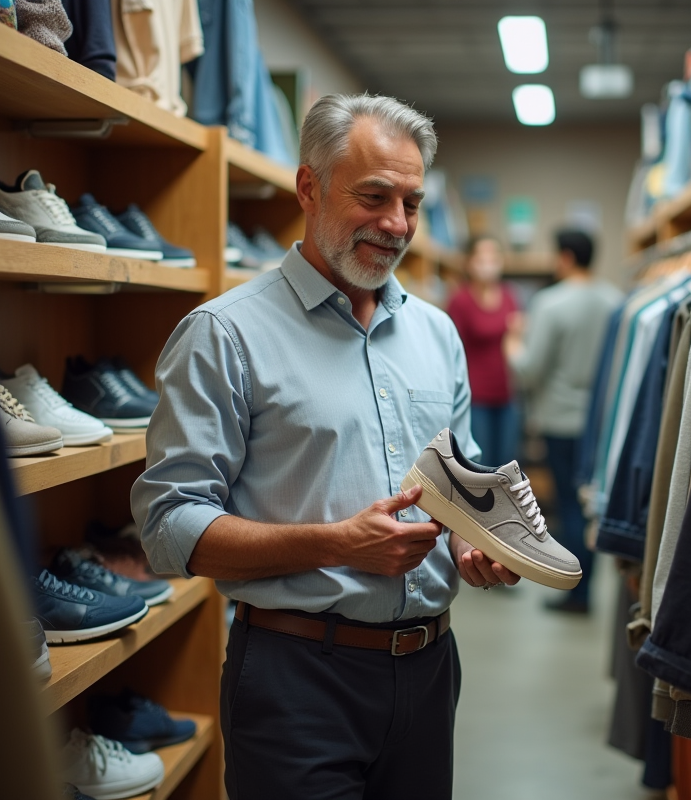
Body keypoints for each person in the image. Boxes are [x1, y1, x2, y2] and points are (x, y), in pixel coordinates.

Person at [130, 93, 520, 800]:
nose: (397, 225)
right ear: (308, 187)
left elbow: (459, 483)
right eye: (374, 196)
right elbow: (167, 529)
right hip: (295, 679)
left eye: (411, 202)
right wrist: (335, 544)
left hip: (431, 671)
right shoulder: (224, 335)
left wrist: (473, 546)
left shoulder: (437, 334)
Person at [506, 229, 622, 614]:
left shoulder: (550, 303)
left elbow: (530, 369)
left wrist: (512, 346)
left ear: (567, 257)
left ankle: (577, 593)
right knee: (590, 503)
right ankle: (586, 588)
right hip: (602, 420)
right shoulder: (615, 301)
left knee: (569, 506)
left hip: (559, 419)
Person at [446, 235, 521, 467]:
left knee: (507, 464)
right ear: (469, 262)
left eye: (493, 256)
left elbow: (515, 338)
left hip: (507, 395)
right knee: (481, 466)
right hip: (475, 398)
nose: (488, 262)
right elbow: (450, 352)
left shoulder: (509, 296)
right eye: (481, 257)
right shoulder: (460, 300)